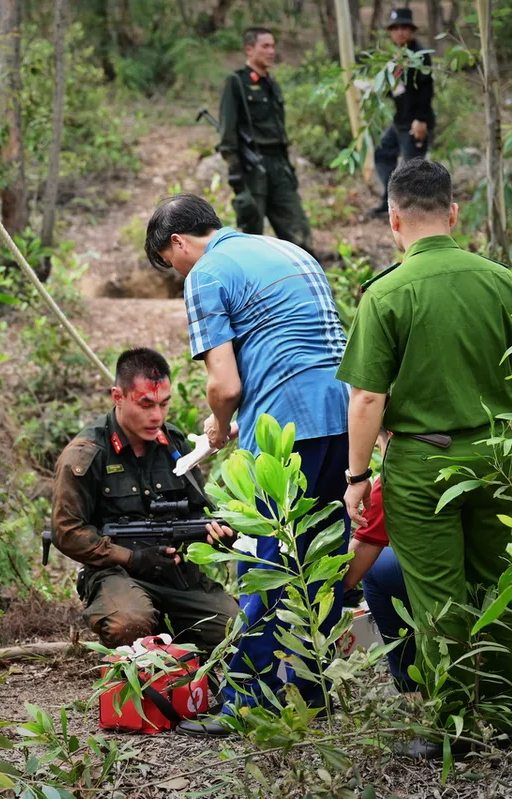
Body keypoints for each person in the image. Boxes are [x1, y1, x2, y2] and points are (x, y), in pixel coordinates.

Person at [337, 159, 512, 759]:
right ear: (454, 214)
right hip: (496, 457)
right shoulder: (503, 282)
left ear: (394, 220)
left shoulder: (387, 293)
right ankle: (506, 717)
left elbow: (368, 397)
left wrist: (357, 477)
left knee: (438, 597)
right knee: (500, 586)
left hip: (424, 467)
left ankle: (454, 725)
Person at [144, 195, 350, 735]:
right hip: (344, 418)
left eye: (171, 265)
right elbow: (303, 350)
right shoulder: (287, 249)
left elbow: (225, 384)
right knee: (319, 558)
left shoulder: (206, 273)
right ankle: (313, 690)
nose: (178, 274)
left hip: (285, 433)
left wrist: (218, 422)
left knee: (267, 561)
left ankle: (248, 702)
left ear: (178, 244)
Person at [51, 348, 239, 652]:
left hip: (175, 574)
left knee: (236, 630)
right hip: (114, 573)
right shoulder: (87, 453)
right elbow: (66, 531)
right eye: (146, 404)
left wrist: (215, 537)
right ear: (118, 396)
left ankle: (172, 637)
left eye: (164, 404)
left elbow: (198, 512)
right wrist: (133, 558)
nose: (156, 416)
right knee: (130, 624)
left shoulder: (173, 443)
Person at [217, 26, 313, 253]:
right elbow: (227, 134)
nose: (271, 51)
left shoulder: (273, 85)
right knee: (252, 236)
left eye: (273, 46)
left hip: (279, 166)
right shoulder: (237, 82)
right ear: (249, 50)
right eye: (265, 46)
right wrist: (237, 179)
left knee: (298, 232)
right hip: (253, 168)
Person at [341, 431, 417, 694]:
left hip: (461, 583)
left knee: (376, 568)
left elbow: (351, 572)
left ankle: (412, 687)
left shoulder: (402, 468)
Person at [365, 9, 436, 220]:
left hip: (415, 123)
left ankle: (412, 213)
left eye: (404, 28)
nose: (400, 33)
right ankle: (390, 202)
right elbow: (393, 89)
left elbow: (426, 90)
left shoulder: (419, 56)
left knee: (412, 169)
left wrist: (421, 120)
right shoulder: (393, 57)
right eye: (396, 28)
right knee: (382, 153)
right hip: (399, 121)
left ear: (412, 31)